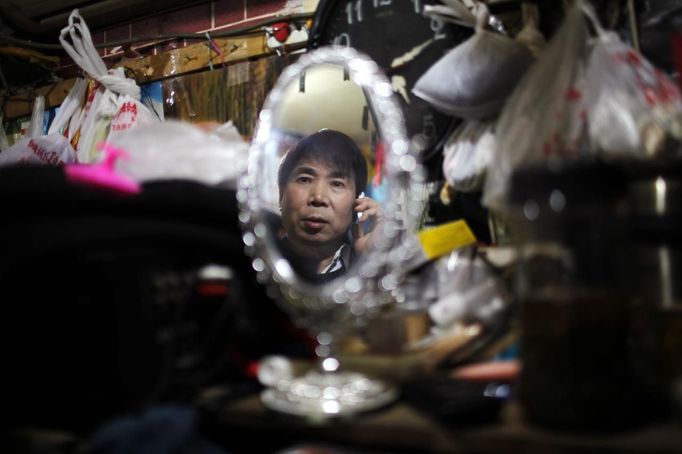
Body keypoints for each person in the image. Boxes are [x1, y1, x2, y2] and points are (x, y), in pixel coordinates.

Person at [277, 129, 382, 282]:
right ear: (281, 193)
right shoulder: (256, 261)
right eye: (305, 179)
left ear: (358, 201)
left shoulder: (368, 263)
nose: (318, 197)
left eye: (337, 184)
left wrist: (372, 259)